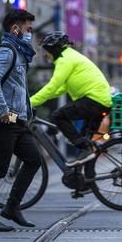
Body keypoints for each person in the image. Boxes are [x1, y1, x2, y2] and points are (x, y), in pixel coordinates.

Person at [0, 9, 43, 232]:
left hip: (18, 122)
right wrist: (2, 110)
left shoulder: (19, 52)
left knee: (34, 159)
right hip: (4, 122)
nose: (30, 34)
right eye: (27, 29)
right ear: (15, 29)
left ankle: (11, 208)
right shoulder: (7, 52)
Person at [30, 32, 112, 166]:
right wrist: (42, 98)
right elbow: (61, 89)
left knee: (58, 116)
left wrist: (30, 102)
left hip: (94, 101)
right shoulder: (70, 56)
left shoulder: (64, 60)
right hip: (100, 102)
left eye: (46, 51)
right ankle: (87, 182)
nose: (45, 54)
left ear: (53, 49)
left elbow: (52, 86)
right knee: (86, 150)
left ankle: (84, 148)